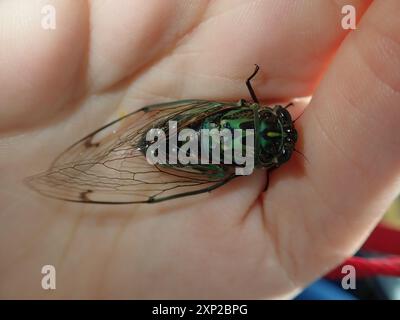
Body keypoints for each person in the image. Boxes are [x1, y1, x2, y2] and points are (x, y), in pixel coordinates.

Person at [0, 0, 399, 299]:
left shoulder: (247, 109)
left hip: (189, 133)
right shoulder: (251, 164)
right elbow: (230, 169)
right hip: (194, 155)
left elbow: (241, 99)